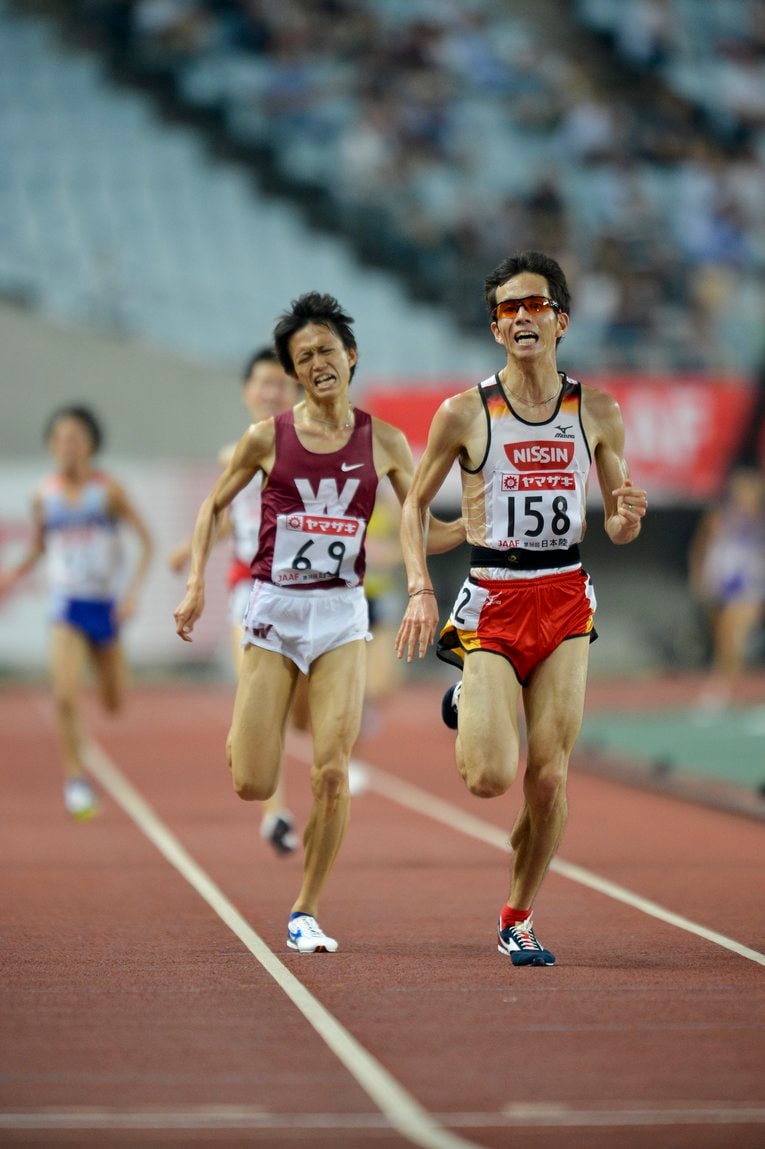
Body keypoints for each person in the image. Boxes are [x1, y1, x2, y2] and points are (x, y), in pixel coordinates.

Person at [173, 292, 464, 953]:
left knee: (331, 771)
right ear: (294, 371)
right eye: (302, 356)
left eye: (325, 350)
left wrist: (474, 524)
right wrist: (195, 586)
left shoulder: (383, 439)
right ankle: (248, 728)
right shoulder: (264, 439)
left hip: (339, 614)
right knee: (251, 778)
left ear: (350, 356)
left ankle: (304, 908)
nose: (316, 363)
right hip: (273, 611)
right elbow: (209, 511)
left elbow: (427, 528)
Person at [396, 251, 647, 967]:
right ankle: (469, 685)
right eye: (507, 309)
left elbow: (618, 523)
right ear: (495, 329)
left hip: (565, 595)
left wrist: (627, 516)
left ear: (560, 320)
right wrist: (419, 586)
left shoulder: (595, 410)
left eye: (533, 304)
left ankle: (518, 915)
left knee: (548, 776)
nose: (520, 317)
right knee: (488, 777)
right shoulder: (463, 412)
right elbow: (413, 507)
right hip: (494, 601)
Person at [168, 348, 305, 854]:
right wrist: (190, 552)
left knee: (300, 709)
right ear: (247, 390)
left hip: (305, 586)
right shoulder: (235, 454)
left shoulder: (308, 447)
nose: (270, 392)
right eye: (262, 383)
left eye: (280, 384)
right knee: (253, 683)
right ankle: (276, 813)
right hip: (249, 580)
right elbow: (227, 514)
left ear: (294, 392)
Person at [0, 406, 153, 820]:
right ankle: (76, 780)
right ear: (51, 445)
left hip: (105, 606)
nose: (68, 446)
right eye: (61, 439)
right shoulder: (43, 496)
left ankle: (80, 770)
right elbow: (39, 544)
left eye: (76, 438)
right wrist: (13, 571)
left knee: (113, 702)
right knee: (65, 694)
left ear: (90, 444)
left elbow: (145, 541)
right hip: (66, 604)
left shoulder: (108, 492)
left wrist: (132, 593)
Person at [689, 466, 765, 712]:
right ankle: (731, 690)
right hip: (719, 583)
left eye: (751, 490)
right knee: (722, 637)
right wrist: (698, 576)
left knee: (733, 634)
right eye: (742, 489)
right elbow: (700, 547)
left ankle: (720, 689)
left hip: (749, 586)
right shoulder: (719, 516)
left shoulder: (759, 519)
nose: (746, 494)